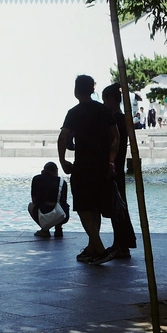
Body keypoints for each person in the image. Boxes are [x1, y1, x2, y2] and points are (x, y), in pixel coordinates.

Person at [58, 75, 119, 265]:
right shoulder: (104, 110)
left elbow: (63, 137)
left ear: (76, 90)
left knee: (84, 208)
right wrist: (111, 159)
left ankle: (99, 249)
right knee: (95, 207)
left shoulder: (74, 113)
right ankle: (92, 248)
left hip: (83, 166)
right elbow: (115, 137)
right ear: (92, 90)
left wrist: (62, 160)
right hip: (101, 166)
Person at [102, 83, 137, 258]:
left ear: (110, 99)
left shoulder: (115, 120)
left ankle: (122, 244)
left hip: (113, 166)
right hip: (118, 165)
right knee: (118, 205)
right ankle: (122, 242)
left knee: (117, 206)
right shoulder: (123, 119)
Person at [28, 161, 69, 238]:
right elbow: (64, 201)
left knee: (31, 206)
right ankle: (58, 228)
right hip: (62, 215)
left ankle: (45, 230)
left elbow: (34, 200)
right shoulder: (62, 182)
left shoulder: (37, 179)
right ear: (56, 171)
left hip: (44, 212)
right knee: (62, 206)